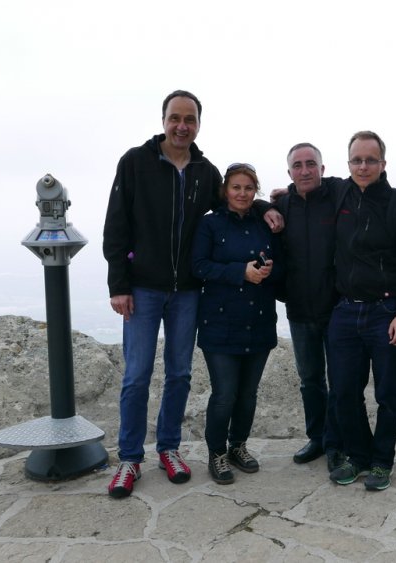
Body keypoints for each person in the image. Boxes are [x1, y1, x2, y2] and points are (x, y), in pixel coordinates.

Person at [102, 90, 282, 499]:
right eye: (175, 118)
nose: (182, 126)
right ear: (163, 120)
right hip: (143, 288)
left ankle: (169, 449)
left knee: (180, 374)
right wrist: (119, 285)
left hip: (186, 291)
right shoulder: (135, 162)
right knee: (136, 376)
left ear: (198, 124)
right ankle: (130, 458)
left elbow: (235, 200)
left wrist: (266, 207)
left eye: (190, 119)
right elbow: (116, 224)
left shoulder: (205, 171)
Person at [326, 131, 396, 491]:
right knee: (343, 392)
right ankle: (358, 456)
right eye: (357, 160)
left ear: (383, 163)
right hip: (345, 311)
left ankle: (382, 461)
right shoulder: (339, 193)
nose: (363, 166)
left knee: (386, 393)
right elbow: (298, 191)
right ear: (348, 163)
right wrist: (269, 206)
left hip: (386, 312)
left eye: (370, 160)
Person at [191, 163, 281, 485]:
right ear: (225, 190)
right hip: (220, 322)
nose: (242, 193)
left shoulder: (264, 223)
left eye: (248, 188)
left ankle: (238, 446)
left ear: (256, 191)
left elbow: (282, 262)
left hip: (259, 320)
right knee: (225, 394)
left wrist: (269, 269)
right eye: (236, 187)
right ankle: (217, 452)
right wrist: (240, 272)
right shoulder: (210, 224)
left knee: (248, 394)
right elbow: (198, 266)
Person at [275, 143, 347, 472]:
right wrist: (265, 204)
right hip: (299, 309)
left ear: (322, 168)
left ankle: (337, 442)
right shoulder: (282, 205)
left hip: (335, 308)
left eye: (310, 164)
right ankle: (317, 438)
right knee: (310, 380)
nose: (304, 171)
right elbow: (253, 206)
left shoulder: (337, 196)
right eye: (298, 165)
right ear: (289, 172)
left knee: (340, 380)